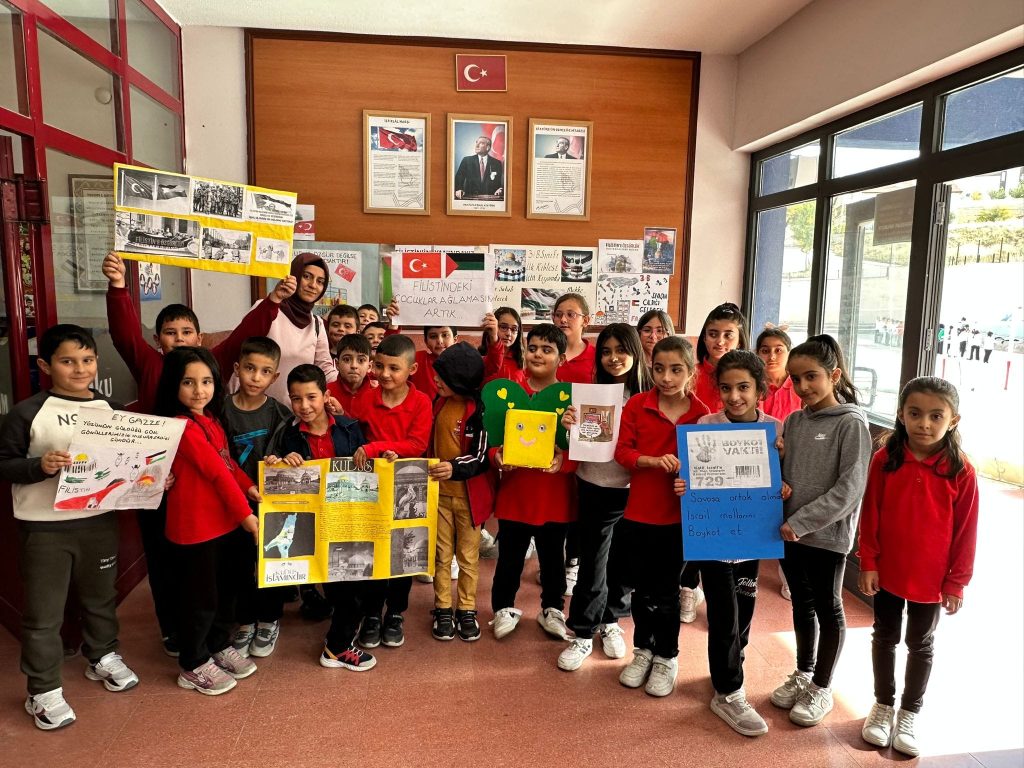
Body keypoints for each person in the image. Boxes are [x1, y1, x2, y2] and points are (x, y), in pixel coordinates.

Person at [102, 251, 289, 657]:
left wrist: (272, 302)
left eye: (187, 331)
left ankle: (215, 631)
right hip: (157, 483)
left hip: (204, 488)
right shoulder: (150, 365)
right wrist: (118, 287)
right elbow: (124, 335)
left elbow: (240, 339)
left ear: (200, 339)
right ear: (158, 340)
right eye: (170, 332)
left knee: (209, 565)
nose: (180, 338)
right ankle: (176, 631)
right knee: (164, 560)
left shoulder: (209, 365)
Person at [0, 325, 139, 731]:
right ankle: (42, 690)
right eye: (67, 361)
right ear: (45, 365)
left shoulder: (111, 410)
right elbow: (4, 463)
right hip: (44, 528)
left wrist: (151, 477)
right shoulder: (28, 412)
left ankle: (102, 656)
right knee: (43, 613)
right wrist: (37, 466)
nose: (80, 369)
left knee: (100, 598)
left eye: (87, 360)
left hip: (98, 522)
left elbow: (129, 463)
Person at [857, 377, 978, 757]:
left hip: (931, 579)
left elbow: (966, 531)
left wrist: (957, 582)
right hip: (887, 572)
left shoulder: (962, 470)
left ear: (953, 420)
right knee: (884, 636)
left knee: (920, 645)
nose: (924, 423)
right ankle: (883, 705)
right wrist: (868, 562)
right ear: (901, 415)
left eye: (935, 416)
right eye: (915, 414)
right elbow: (870, 514)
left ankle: (909, 712)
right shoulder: (885, 459)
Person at [677, 351, 790, 736]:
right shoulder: (706, 425)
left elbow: (782, 479)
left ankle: (730, 664)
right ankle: (727, 691)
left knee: (744, 607)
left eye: (743, 388)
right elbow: (693, 478)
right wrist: (684, 485)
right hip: (714, 541)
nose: (734, 396)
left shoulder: (775, 430)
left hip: (752, 541)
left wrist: (783, 484)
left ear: (761, 390)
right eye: (726, 388)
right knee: (723, 614)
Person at [771, 334, 872, 727]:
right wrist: (778, 471)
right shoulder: (795, 421)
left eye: (811, 376)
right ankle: (804, 671)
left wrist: (801, 522)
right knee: (801, 603)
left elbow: (850, 489)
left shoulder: (851, 423)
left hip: (825, 537)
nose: (803, 386)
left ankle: (822, 686)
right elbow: (786, 475)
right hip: (789, 533)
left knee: (829, 609)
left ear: (834, 375)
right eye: (795, 379)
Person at [154, 347, 261, 696]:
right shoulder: (182, 426)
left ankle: (217, 644)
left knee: (224, 592)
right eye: (188, 382)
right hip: (195, 529)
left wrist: (249, 487)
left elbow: (227, 464)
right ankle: (193, 662)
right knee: (200, 600)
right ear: (173, 384)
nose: (199, 390)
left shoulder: (211, 419)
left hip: (223, 524)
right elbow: (216, 472)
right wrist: (246, 515)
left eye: (206, 381)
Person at [613, 336, 709, 697]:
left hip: (679, 519)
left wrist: (690, 477)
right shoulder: (638, 405)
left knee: (667, 592)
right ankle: (643, 650)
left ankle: (667, 656)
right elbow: (622, 452)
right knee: (640, 590)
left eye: (676, 370)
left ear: (691, 372)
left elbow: (711, 467)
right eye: (659, 369)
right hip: (639, 513)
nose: (666, 378)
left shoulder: (702, 414)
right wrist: (652, 461)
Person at [264, 365, 375, 672]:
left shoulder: (350, 428)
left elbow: (370, 469)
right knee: (341, 589)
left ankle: (339, 639)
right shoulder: (288, 435)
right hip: (311, 526)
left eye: (311, 397)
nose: (304, 405)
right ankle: (337, 648)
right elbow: (274, 477)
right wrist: (280, 463)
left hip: (349, 521)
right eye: (296, 398)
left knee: (355, 586)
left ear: (326, 396)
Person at [557, 324, 651, 672]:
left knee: (624, 564)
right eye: (607, 352)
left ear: (635, 352)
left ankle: (611, 621)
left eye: (621, 350)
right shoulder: (590, 394)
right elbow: (578, 443)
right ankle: (583, 631)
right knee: (593, 562)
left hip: (634, 490)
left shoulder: (648, 397)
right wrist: (569, 425)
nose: (614, 358)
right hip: (594, 483)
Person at [489, 324, 578, 640]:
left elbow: (581, 448)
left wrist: (563, 462)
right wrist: (498, 457)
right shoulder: (509, 394)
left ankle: (553, 608)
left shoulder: (572, 402)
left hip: (555, 496)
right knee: (509, 558)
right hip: (516, 494)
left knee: (553, 559)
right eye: (533, 348)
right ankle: (503, 607)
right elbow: (493, 441)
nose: (538, 354)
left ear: (561, 358)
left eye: (547, 350)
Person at [353, 334, 433, 649]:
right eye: (379, 366)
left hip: (407, 491)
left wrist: (375, 448)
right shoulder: (365, 399)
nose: (384, 374)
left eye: (394, 368)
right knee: (373, 551)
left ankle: (396, 613)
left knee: (404, 552)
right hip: (371, 492)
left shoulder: (421, 402)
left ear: (412, 370)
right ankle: (372, 613)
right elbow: (353, 437)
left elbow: (417, 445)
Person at [222, 337, 292, 659]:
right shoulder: (220, 410)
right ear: (237, 368)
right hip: (233, 503)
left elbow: (292, 452)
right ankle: (246, 620)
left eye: (265, 372)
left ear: (274, 377)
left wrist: (286, 459)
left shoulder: (280, 413)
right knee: (238, 565)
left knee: (271, 560)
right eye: (250, 368)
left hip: (270, 503)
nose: (255, 377)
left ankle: (269, 618)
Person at [682, 301, 749, 623]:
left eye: (727, 335)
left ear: (740, 338)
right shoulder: (692, 373)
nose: (719, 341)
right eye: (712, 333)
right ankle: (688, 587)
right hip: (697, 462)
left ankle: (721, 600)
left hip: (736, 468)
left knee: (727, 535)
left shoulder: (748, 374)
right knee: (696, 525)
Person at [426, 343, 494, 642]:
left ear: (460, 379)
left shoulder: (479, 410)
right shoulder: (437, 404)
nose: (436, 380)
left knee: (467, 557)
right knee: (441, 556)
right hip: (439, 496)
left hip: (469, 499)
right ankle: (442, 608)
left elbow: (481, 456)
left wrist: (453, 467)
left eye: (443, 377)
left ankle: (466, 609)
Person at [552, 293, 596, 592]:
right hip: (549, 438)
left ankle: (574, 561)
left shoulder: (595, 358)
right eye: (558, 314)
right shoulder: (548, 352)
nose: (563, 319)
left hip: (585, 440)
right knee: (558, 504)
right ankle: (553, 563)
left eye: (571, 314)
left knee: (581, 503)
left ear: (586, 320)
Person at [259, 253, 337, 406]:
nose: (313, 285)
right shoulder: (267, 308)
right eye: (306, 276)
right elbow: (241, 351)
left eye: (320, 281)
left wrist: (358, 384)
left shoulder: (316, 324)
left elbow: (325, 369)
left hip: (298, 411)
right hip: (260, 410)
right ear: (294, 275)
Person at [756, 326, 803, 422]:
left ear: (789, 354)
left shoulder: (801, 385)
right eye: (765, 351)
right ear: (757, 354)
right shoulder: (751, 386)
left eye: (778, 350)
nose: (772, 357)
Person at [327, 334, 377, 418]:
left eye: (361, 360)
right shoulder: (327, 392)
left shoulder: (377, 394)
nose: (354, 365)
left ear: (369, 366)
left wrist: (342, 415)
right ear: (337, 364)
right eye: (347, 359)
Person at [411, 325, 458, 402]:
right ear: (426, 341)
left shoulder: (463, 363)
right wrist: (392, 329)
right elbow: (392, 359)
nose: (439, 341)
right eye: (433, 336)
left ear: (455, 339)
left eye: (445, 335)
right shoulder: (418, 359)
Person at [481, 307, 525, 382]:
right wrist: (494, 338)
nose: (508, 333)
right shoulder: (482, 359)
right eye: (504, 327)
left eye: (514, 329)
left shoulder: (522, 360)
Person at [454, 135, 504, 200]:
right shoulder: (466, 160)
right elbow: (458, 178)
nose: (477, 145)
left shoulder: (497, 163)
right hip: (470, 199)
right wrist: (458, 189)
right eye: (476, 142)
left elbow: (500, 183)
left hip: (490, 200)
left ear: (488, 148)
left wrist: (500, 189)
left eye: (481, 143)